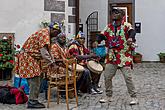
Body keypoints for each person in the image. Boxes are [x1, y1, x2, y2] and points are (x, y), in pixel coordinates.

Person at [98, 8, 138, 105]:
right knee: (107, 76)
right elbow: (102, 35)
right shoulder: (109, 27)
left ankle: (134, 97)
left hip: (124, 56)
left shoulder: (126, 25)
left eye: (117, 12)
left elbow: (132, 32)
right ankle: (108, 96)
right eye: (113, 13)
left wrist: (130, 38)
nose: (114, 14)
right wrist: (97, 40)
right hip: (112, 57)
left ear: (122, 15)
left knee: (128, 77)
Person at [17, 22, 61, 108]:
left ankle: (33, 99)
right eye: (56, 32)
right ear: (52, 29)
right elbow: (44, 52)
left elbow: (48, 51)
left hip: (33, 58)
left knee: (38, 77)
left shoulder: (48, 35)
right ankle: (32, 102)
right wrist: (52, 63)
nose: (56, 35)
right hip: (28, 57)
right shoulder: (44, 33)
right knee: (35, 79)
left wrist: (53, 62)